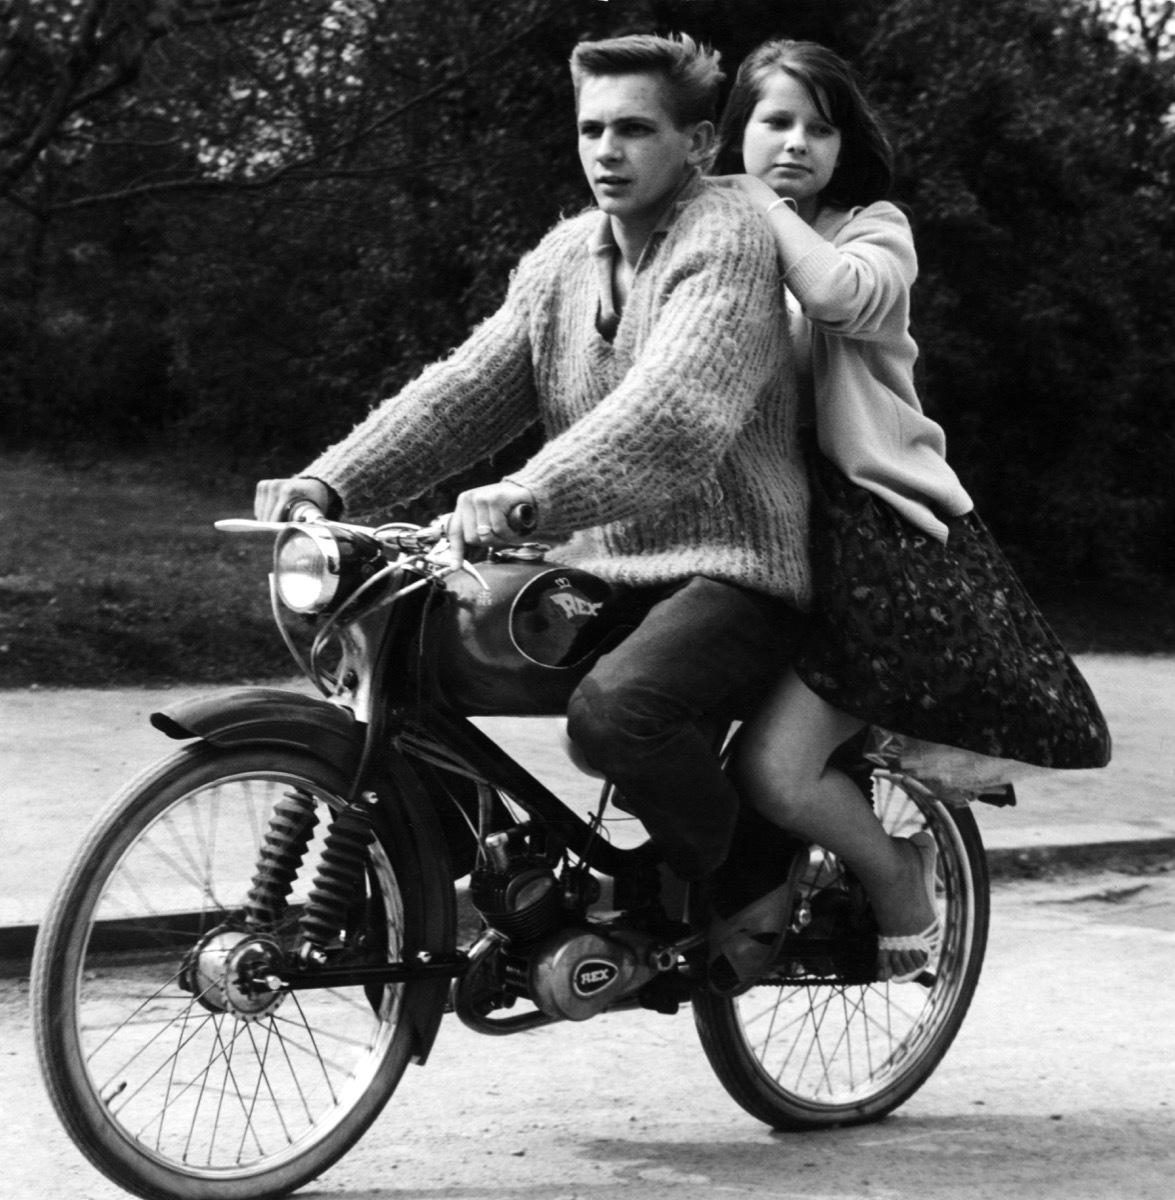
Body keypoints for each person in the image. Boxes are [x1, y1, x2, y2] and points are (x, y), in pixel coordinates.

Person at [254, 34, 813, 902]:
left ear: (697, 143)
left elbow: (676, 409)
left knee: (614, 715)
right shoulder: (565, 257)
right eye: (591, 130)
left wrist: (529, 493)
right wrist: (332, 482)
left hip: (733, 570)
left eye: (633, 129)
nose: (606, 152)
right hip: (602, 568)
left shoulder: (728, 238)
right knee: (404, 662)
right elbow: (468, 387)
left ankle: (741, 882)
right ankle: (484, 883)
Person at [711, 39, 1111, 983]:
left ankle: (899, 875)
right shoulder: (717, 242)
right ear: (737, 132)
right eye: (775, 122)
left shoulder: (872, 229)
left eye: (819, 126)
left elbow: (840, 298)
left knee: (773, 767)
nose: (797, 143)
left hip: (879, 542)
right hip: (758, 535)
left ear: (846, 147)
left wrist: (754, 198)